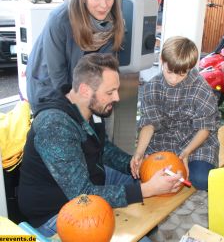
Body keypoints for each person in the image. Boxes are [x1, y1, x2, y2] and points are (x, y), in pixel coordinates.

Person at [18, 53, 182, 237]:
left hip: (92, 180)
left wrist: (134, 164)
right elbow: (82, 195)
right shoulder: (54, 125)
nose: (117, 97)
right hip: (57, 211)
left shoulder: (90, 107)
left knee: (146, 186)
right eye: (110, 92)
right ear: (85, 90)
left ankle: (145, 226)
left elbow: (102, 148)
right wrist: (147, 189)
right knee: (139, 215)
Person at [130, 36, 220, 191]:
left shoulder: (201, 89)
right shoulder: (152, 87)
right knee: (147, 178)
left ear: (190, 68)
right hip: (163, 140)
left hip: (196, 142)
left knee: (201, 179)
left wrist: (186, 153)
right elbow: (149, 124)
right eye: (169, 71)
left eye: (181, 74)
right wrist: (139, 152)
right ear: (162, 60)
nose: (173, 79)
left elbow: (204, 129)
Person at [25, 0, 124, 114]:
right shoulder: (60, 19)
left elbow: (104, 69)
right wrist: (77, 109)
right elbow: (58, 75)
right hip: (51, 90)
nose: (104, 4)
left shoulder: (113, 21)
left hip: (83, 89)